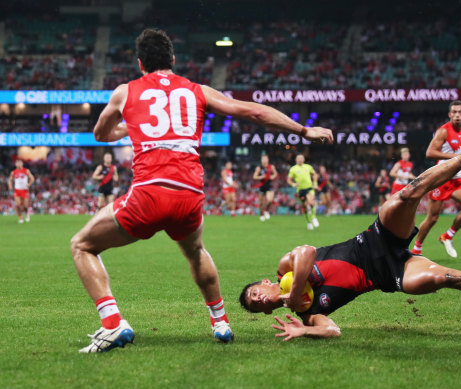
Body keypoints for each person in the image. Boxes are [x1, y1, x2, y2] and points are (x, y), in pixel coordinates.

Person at [70, 28, 333, 353]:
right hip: (189, 195)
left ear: (140, 63)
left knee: (82, 245)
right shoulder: (197, 90)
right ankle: (220, 323)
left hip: (148, 193)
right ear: (173, 60)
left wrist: (127, 125)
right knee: (195, 252)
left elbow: (101, 133)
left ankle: (113, 324)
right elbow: (255, 111)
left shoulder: (125, 92)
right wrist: (304, 129)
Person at [240, 126, 461, 341]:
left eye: (255, 293)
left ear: (265, 284)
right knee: (447, 278)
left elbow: (306, 252)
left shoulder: (284, 270)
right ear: (265, 312)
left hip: (375, 238)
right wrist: (305, 329)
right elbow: (333, 330)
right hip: (388, 274)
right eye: (256, 305)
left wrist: (293, 295)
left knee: (408, 194)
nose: (259, 300)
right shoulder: (308, 315)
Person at [411, 100, 461, 258]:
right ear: (450, 114)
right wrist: (455, 157)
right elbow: (430, 153)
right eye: (454, 112)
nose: (456, 115)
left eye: (459, 112)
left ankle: (447, 236)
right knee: (433, 218)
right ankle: (416, 249)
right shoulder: (443, 131)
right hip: (441, 179)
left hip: (457, 178)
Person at [288, 154, 319, 230]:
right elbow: (289, 180)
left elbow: (315, 175)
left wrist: (315, 183)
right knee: (304, 207)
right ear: (296, 160)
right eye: (298, 158)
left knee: (311, 202)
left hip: (309, 188)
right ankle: (309, 222)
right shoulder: (293, 169)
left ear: (304, 159)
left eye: (301, 158)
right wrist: (293, 184)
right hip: (300, 190)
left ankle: (314, 217)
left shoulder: (308, 167)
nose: (300, 160)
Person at [8, 159, 34, 223]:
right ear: (15, 164)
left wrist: (29, 184)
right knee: (18, 205)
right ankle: (20, 217)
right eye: (17, 163)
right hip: (17, 190)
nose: (19, 164)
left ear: (22, 164)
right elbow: (10, 180)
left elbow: (32, 178)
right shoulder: (13, 172)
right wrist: (10, 186)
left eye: (20, 163)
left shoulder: (26, 171)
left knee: (25, 206)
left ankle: (27, 214)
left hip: (24, 190)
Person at [253, 155, 278, 221]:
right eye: (263, 159)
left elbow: (275, 174)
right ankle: (261, 213)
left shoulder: (271, 167)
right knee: (261, 202)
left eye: (265, 159)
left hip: (269, 185)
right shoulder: (259, 168)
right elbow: (254, 176)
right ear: (261, 160)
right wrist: (261, 177)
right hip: (262, 185)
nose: (264, 160)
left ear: (268, 160)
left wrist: (273, 176)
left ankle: (266, 210)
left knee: (270, 200)